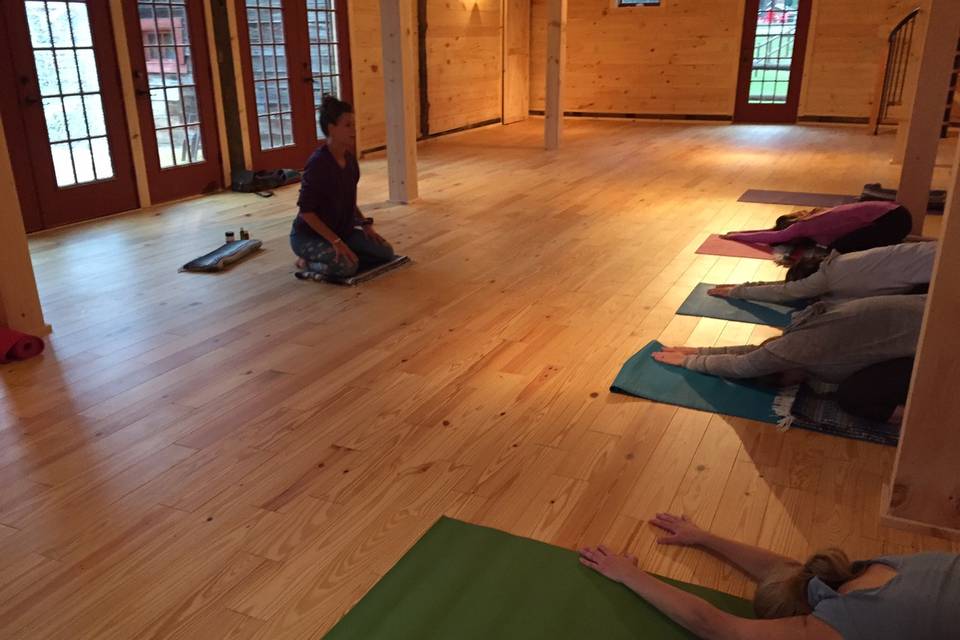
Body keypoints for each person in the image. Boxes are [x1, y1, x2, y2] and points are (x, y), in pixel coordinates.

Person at [579, 512, 959, 639]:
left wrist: (628, 575)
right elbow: (790, 570)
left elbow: (715, 626)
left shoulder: (839, 621)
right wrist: (704, 537)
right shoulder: (870, 569)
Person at [653, 295, 925, 385]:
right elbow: (758, 353)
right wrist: (700, 349)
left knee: (854, 397)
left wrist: (689, 361)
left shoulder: (799, 349)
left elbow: (744, 365)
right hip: (932, 310)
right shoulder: (800, 333)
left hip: (938, 341)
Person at [290, 95, 394, 279]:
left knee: (385, 252)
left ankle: (342, 254)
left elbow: (348, 200)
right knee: (347, 268)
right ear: (331, 128)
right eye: (347, 125)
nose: (354, 130)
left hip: (341, 231)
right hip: (309, 237)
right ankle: (306, 261)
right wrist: (336, 241)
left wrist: (365, 225)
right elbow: (306, 212)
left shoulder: (350, 160)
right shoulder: (318, 164)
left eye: (353, 125)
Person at [707, 242, 936, 304]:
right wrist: (743, 285)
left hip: (940, 268)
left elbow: (782, 292)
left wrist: (734, 292)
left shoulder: (826, 278)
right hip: (933, 252)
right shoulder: (839, 261)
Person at [722, 201, 912, 255]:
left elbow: (774, 237)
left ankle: (897, 249)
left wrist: (737, 236)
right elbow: (773, 232)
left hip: (892, 221)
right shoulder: (818, 215)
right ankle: (900, 243)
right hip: (896, 212)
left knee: (838, 250)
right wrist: (739, 232)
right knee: (845, 243)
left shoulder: (805, 226)